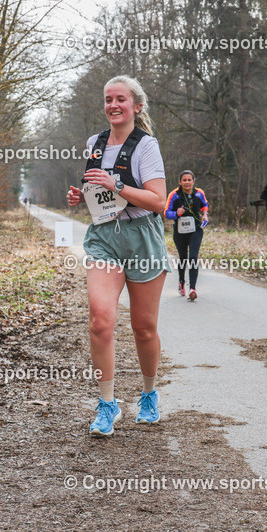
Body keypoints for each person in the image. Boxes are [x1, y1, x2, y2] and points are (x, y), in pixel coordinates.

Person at [66, 75, 169, 436]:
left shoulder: (147, 146)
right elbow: (100, 195)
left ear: (136, 106)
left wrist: (117, 184)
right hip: (105, 237)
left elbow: (159, 202)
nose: (113, 105)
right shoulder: (94, 142)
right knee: (100, 320)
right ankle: (107, 405)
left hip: (142, 237)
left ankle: (149, 394)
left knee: (143, 327)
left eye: (121, 99)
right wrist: (83, 197)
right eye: (108, 99)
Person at [164, 171, 209, 300]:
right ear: (180, 182)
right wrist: (176, 213)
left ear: (193, 181)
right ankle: (181, 281)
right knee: (183, 257)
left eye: (189, 180)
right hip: (180, 231)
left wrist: (205, 214)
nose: (187, 182)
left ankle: (193, 288)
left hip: (196, 229)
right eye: (184, 180)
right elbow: (166, 212)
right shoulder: (174, 195)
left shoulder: (199, 193)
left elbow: (205, 205)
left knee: (193, 257)